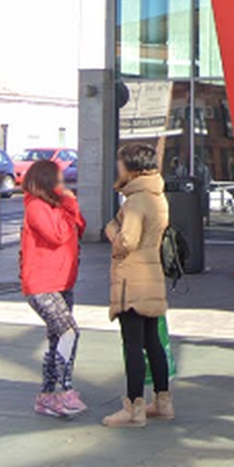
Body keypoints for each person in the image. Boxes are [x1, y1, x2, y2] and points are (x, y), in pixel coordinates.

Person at [103, 143, 172, 428]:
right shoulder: (158, 196)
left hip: (132, 279)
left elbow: (127, 241)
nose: (117, 168)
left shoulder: (135, 201)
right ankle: (163, 401)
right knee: (152, 342)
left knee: (132, 344)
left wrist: (112, 233)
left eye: (120, 163)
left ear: (130, 167)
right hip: (152, 275)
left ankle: (134, 407)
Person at [20, 159, 87, 418]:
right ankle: (62, 390)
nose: (63, 185)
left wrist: (69, 205)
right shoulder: (36, 207)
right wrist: (67, 204)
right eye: (59, 181)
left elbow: (79, 226)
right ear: (47, 182)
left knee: (56, 338)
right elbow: (57, 234)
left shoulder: (56, 205)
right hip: (42, 284)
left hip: (62, 281)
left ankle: (48, 394)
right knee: (69, 332)